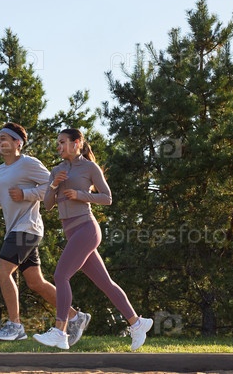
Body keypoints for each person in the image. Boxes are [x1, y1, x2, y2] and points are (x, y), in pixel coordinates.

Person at [32, 128, 153, 351]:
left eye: (62, 142)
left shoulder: (89, 168)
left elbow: (107, 198)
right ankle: (137, 323)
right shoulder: (56, 170)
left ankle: (60, 331)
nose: (58, 147)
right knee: (105, 283)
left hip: (86, 229)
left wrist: (80, 195)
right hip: (72, 232)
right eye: (57, 143)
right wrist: (54, 184)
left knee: (60, 275)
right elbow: (47, 205)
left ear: (77, 142)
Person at [0, 122, 91, 346]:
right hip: (14, 229)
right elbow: (8, 200)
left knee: (1, 271)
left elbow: (53, 186)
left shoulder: (29, 163)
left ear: (17, 143)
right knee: (36, 282)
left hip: (27, 227)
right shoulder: (0, 170)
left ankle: (15, 326)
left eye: (3, 138)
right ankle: (75, 316)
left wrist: (26, 193)